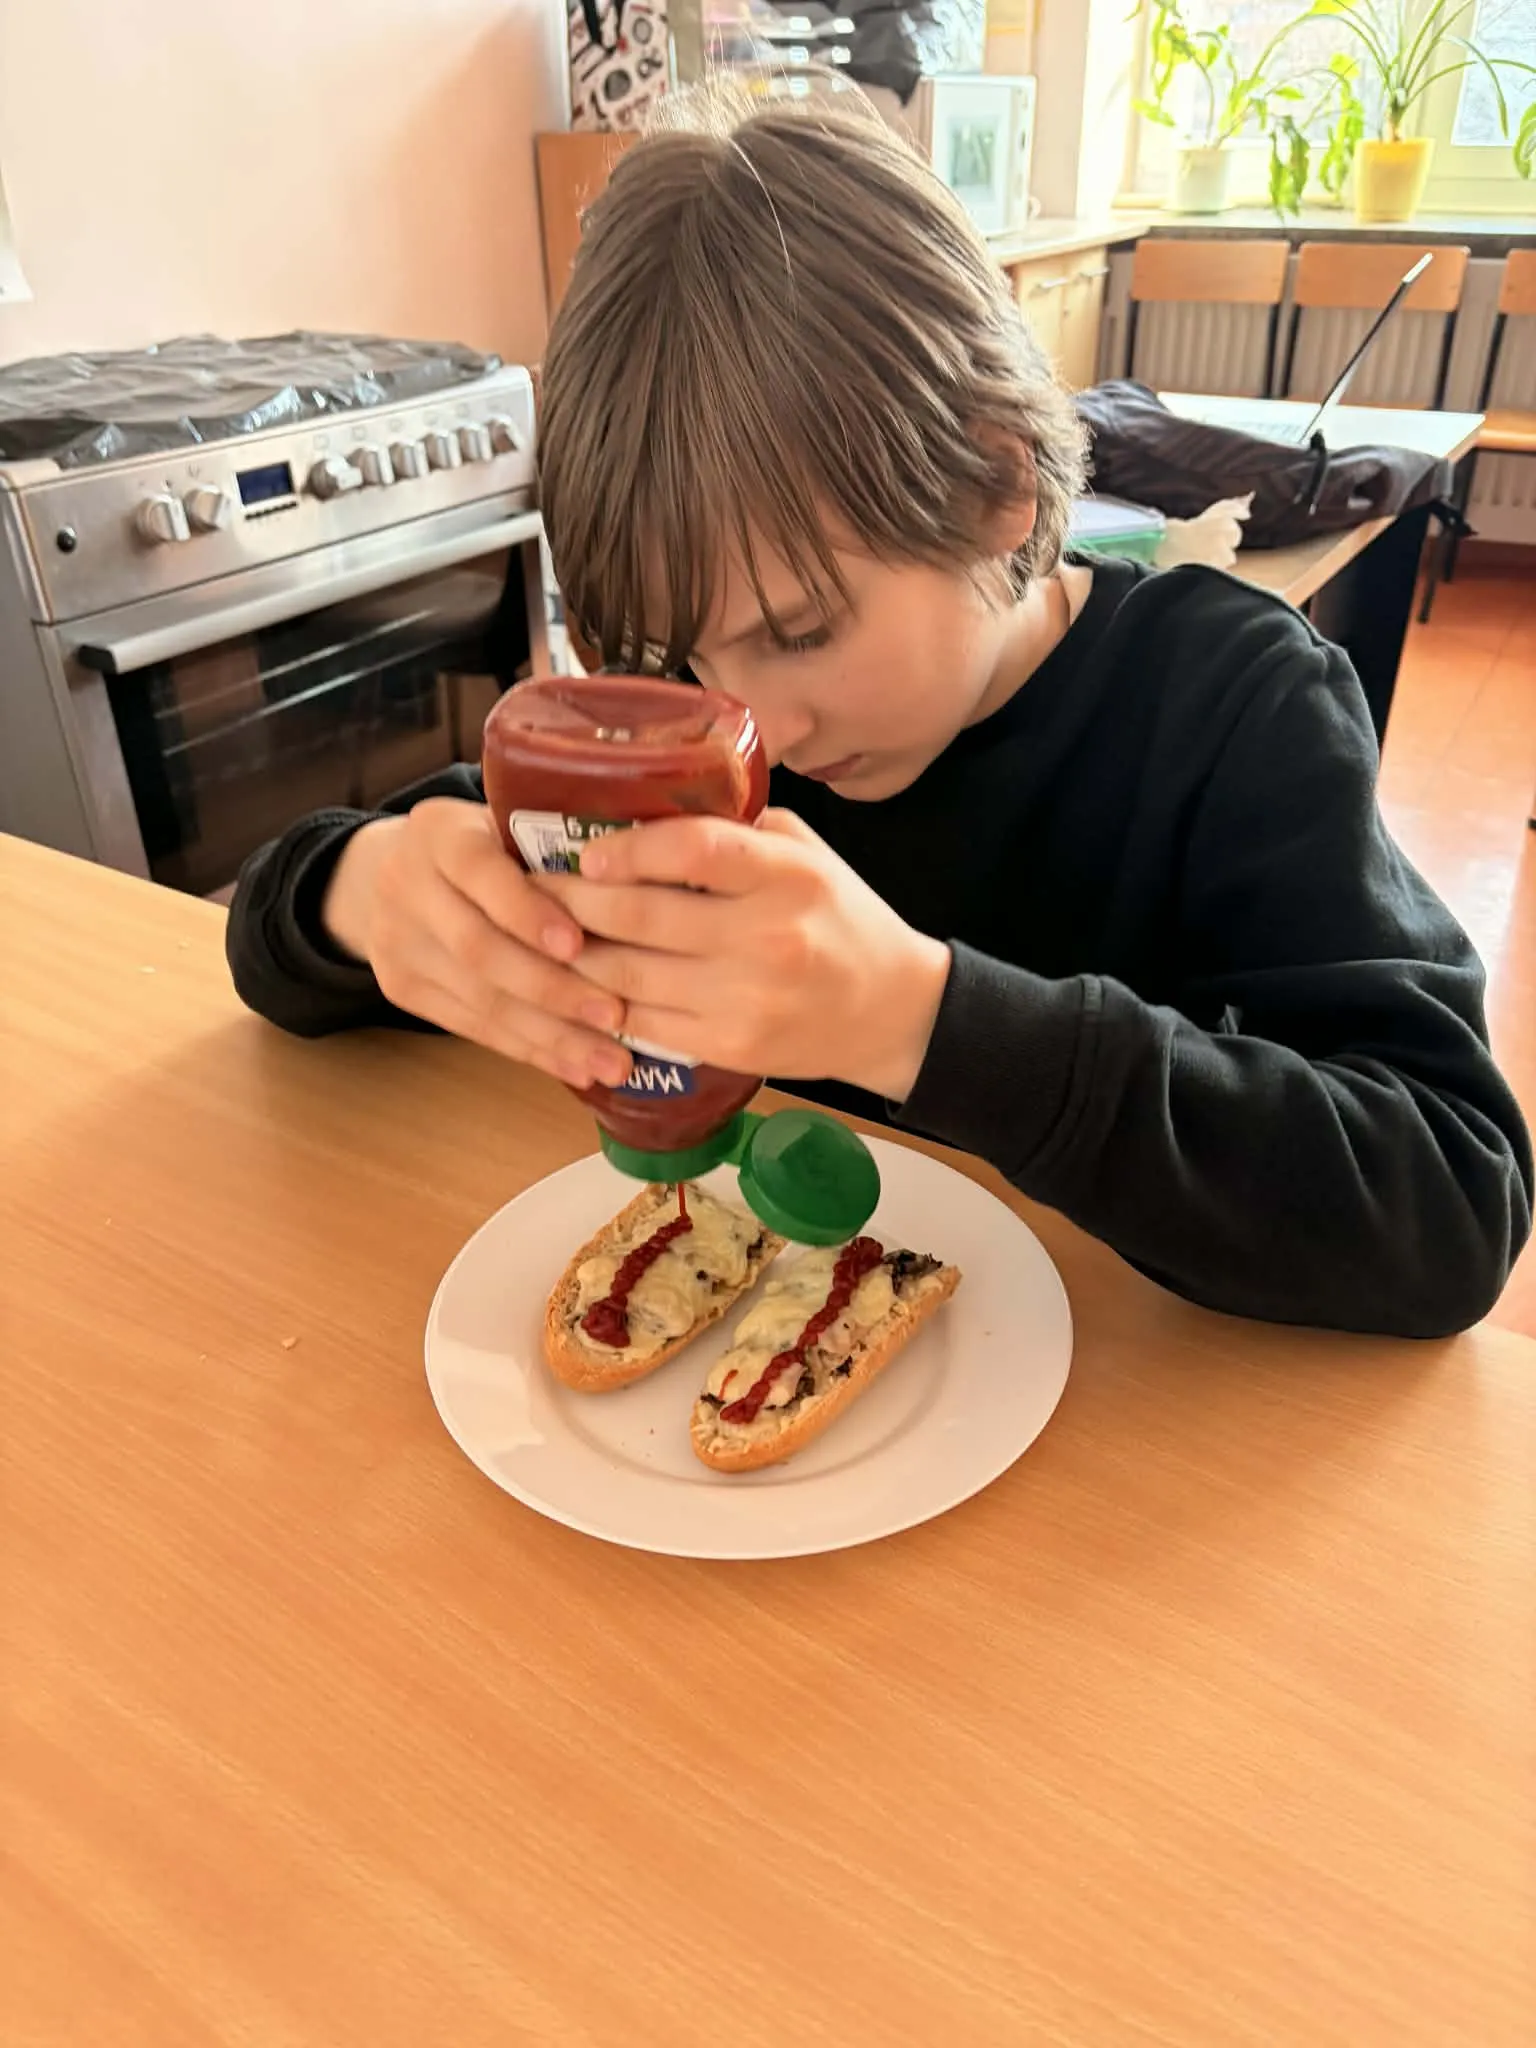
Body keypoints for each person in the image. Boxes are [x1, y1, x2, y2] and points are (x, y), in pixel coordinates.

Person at [227, 89, 1531, 1338]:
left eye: (800, 632)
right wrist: (362, 892)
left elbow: (1452, 1204)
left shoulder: (1233, 707)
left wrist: (925, 1021)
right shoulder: (684, 730)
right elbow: (277, 939)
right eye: (674, 652)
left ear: (996, 490)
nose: (750, 726)